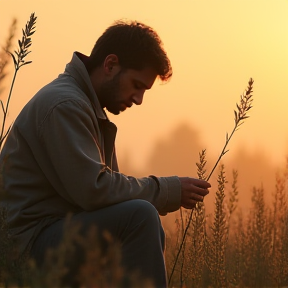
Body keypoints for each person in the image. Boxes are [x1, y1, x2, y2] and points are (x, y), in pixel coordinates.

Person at [0, 20, 210, 287]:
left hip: (49, 236)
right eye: (137, 85)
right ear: (110, 65)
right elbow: (95, 190)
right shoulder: (66, 105)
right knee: (140, 217)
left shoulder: (83, 104)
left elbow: (106, 198)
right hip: (25, 248)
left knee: (135, 217)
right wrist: (168, 190)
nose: (138, 99)